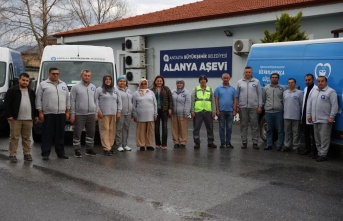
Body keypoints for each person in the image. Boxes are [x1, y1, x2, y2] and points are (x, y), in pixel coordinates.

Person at [36, 67, 70, 160]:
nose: (56, 75)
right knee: (47, 134)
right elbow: (38, 99)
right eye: (53, 74)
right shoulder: (43, 85)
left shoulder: (63, 84)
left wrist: (67, 111)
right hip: (48, 114)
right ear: (49, 74)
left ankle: (60, 153)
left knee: (60, 134)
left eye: (57, 74)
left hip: (61, 113)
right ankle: (45, 153)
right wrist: (40, 112)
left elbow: (68, 98)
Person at [4, 73, 38, 163]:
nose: (25, 82)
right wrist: (9, 115)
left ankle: (27, 154)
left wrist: (36, 115)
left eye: (27, 81)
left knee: (27, 138)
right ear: (19, 80)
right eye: (23, 80)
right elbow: (6, 104)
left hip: (28, 119)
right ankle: (12, 154)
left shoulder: (31, 92)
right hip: (15, 119)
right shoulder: (12, 90)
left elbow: (35, 104)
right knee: (14, 137)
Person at [307, 76, 338, 162]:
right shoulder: (314, 91)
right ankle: (319, 153)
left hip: (325, 120)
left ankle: (323, 155)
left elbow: (334, 105)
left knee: (324, 138)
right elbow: (310, 103)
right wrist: (309, 115)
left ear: (326, 82)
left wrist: (332, 117)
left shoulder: (331, 92)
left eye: (322, 81)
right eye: (319, 81)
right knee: (317, 138)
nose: (320, 83)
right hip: (315, 119)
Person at [70, 70, 98, 158]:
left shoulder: (93, 87)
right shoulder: (75, 87)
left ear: (91, 77)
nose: (87, 77)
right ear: (81, 76)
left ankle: (89, 149)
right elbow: (72, 101)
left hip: (91, 114)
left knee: (91, 132)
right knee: (77, 133)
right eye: (85, 75)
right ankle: (77, 150)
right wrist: (73, 114)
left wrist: (96, 112)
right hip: (79, 114)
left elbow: (96, 101)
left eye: (89, 76)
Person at [236, 66, 262, 149]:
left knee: (254, 125)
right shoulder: (239, 82)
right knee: (243, 125)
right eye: (246, 72)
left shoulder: (256, 82)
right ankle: (244, 142)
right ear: (244, 73)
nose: (247, 73)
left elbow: (259, 95)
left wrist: (260, 106)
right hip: (242, 107)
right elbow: (237, 95)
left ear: (252, 73)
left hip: (253, 107)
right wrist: (237, 106)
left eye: (249, 72)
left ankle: (255, 142)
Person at [95, 75, 122, 156]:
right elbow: (95, 101)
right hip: (103, 114)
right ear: (104, 80)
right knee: (104, 130)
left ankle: (110, 146)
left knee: (112, 130)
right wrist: (98, 110)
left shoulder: (115, 90)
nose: (108, 80)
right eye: (106, 79)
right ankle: (106, 148)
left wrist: (119, 111)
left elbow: (119, 101)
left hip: (113, 113)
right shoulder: (99, 90)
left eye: (109, 79)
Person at [191, 74, 217, 149]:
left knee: (210, 128)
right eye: (201, 80)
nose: (203, 81)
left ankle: (210, 142)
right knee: (196, 128)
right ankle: (197, 142)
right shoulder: (195, 89)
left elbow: (213, 101)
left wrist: (214, 111)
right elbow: (193, 101)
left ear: (206, 81)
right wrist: (192, 111)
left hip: (208, 111)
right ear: (199, 81)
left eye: (204, 80)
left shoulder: (210, 89)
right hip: (198, 112)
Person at [133, 78, 157, 151]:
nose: (143, 85)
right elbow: (134, 105)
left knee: (150, 130)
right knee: (141, 130)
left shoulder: (151, 92)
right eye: (142, 84)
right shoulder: (136, 93)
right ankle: (142, 144)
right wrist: (135, 115)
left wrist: (155, 113)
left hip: (151, 114)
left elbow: (155, 103)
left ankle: (149, 144)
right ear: (139, 84)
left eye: (145, 83)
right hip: (141, 115)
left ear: (147, 84)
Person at [263, 73, 286, 151]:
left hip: (278, 111)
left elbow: (284, 100)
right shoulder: (266, 88)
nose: (274, 79)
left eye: (276, 77)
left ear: (278, 79)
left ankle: (280, 144)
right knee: (269, 129)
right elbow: (264, 99)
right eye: (272, 77)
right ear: (270, 79)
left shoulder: (282, 88)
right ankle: (269, 144)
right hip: (268, 111)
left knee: (280, 129)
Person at [214, 73, 237, 148]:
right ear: (222, 79)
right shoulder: (218, 88)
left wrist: (234, 109)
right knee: (221, 127)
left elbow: (235, 99)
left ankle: (228, 142)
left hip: (230, 111)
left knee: (229, 128)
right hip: (221, 111)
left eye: (227, 78)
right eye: (224, 78)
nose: (226, 79)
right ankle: (222, 143)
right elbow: (216, 99)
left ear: (229, 79)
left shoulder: (233, 89)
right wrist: (217, 110)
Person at [151, 75, 173, 149]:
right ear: (155, 82)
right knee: (156, 128)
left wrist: (170, 108)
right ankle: (157, 143)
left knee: (164, 127)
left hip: (164, 110)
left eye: (161, 81)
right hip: (155, 111)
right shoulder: (152, 90)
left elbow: (170, 99)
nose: (159, 82)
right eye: (158, 81)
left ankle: (164, 144)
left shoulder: (166, 89)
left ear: (163, 82)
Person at [282, 78, 303, 152]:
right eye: (289, 83)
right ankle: (287, 145)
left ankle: (295, 147)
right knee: (287, 132)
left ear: (295, 83)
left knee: (296, 133)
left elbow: (301, 104)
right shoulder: (285, 92)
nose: (290, 84)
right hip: (286, 116)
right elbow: (284, 103)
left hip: (296, 116)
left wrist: (300, 115)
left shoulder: (299, 93)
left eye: (292, 82)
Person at [299, 74, 318, 157]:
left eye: (309, 80)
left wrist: (311, 114)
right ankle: (307, 149)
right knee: (306, 134)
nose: (307, 81)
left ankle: (315, 152)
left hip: (312, 116)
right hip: (304, 115)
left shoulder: (316, 89)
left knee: (314, 136)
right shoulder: (306, 88)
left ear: (313, 80)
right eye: (306, 80)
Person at [171, 79, 191, 148]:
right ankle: (176, 142)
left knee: (183, 129)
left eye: (181, 83)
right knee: (175, 129)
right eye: (178, 83)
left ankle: (183, 142)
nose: (179, 84)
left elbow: (188, 103)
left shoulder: (186, 92)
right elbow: (170, 102)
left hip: (183, 114)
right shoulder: (173, 92)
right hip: (174, 114)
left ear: (183, 84)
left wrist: (187, 112)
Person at [115, 75, 133, 152]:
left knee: (126, 128)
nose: (122, 82)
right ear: (118, 82)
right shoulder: (116, 90)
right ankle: (119, 145)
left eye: (124, 81)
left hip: (128, 113)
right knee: (119, 128)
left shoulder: (128, 90)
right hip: (120, 112)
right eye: (120, 81)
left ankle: (125, 144)